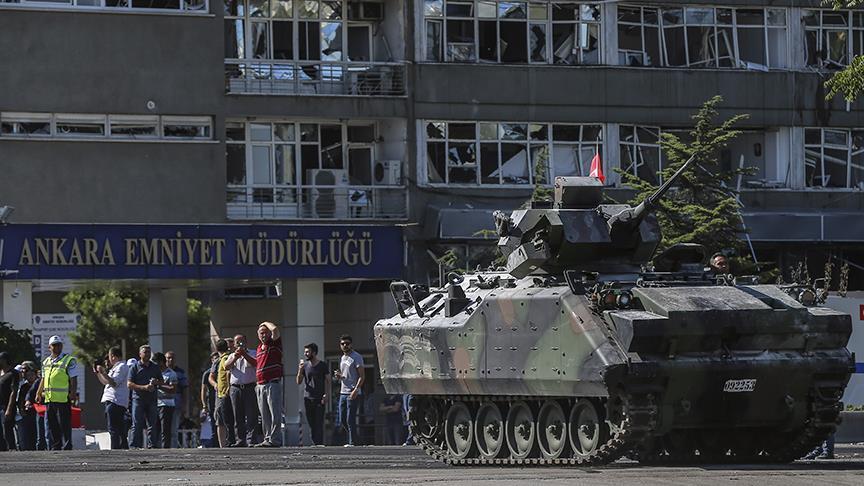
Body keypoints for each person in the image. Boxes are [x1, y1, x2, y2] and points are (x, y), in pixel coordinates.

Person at [35, 335, 78, 450]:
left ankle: (67, 445)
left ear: (62, 346)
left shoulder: (69, 360)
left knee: (64, 424)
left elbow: (73, 378)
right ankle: (56, 446)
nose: (57, 347)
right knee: (52, 424)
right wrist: (38, 393)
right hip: (49, 398)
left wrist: (73, 393)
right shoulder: (46, 362)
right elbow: (43, 379)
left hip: (63, 398)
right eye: (54, 345)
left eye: (59, 345)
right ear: (49, 347)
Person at [224, 333, 258, 447]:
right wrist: (236, 357)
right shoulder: (232, 355)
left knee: (251, 414)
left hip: (249, 387)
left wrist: (245, 355)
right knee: (238, 415)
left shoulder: (253, 353)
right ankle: (240, 439)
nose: (240, 344)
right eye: (237, 342)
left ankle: (251, 439)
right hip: (235, 388)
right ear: (234, 344)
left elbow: (256, 363)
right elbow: (226, 366)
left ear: (246, 342)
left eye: (242, 341)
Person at [254, 322, 283, 448]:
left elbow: (275, 329)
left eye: (266, 332)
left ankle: (275, 439)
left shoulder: (274, 343)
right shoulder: (259, 348)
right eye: (261, 333)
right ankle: (267, 438)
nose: (263, 335)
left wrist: (264, 323)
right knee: (264, 415)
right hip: (260, 385)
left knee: (274, 413)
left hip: (272, 383)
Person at [94, 346, 129, 449]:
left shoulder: (122, 366)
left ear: (113, 356)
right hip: (111, 400)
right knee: (118, 428)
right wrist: (98, 373)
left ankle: (115, 449)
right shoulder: (115, 368)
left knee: (113, 429)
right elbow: (106, 382)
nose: (108, 359)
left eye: (109, 356)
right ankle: (122, 448)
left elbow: (114, 383)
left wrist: (104, 372)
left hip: (116, 401)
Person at [128, 344, 162, 448]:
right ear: (140, 354)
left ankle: (152, 445)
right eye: (145, 352)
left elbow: (162, 381)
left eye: (149, 352)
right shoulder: (134, 367)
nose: (147, 354)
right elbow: (129, 384)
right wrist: (144, 387)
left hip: (152, 399)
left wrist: (156, 382)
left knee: (152, 424)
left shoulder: (155, 367)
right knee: (137, 423)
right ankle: (135, 446)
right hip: (138, 399)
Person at [295, 342, 329, 446]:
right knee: (311, 423)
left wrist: (326, 394)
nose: (305, 354)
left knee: (318, 423)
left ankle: (319, 444)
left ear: (313, 353)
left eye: (307, 352)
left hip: (319, 398)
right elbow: (298, 381)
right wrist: (300, 370)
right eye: (305, 352)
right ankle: (314, 444)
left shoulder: (322, 365)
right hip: (307, 398)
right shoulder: (305, 366)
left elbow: (327, 381)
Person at [334, 334, 365, 447]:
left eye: (347, 343)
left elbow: (362, 376)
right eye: (342, 344)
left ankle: (352, 442)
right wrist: (339, 376)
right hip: (343, 392)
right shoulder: (342, 358)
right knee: (342, 419)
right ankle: (356, 439)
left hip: (352, 391)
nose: (345, 345)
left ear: (351, 344)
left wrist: (356, 389)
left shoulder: (357, 357)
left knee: (350, 418)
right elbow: (345, 376)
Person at [210, 339, 235, 448]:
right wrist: (215, 384)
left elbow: (228, 373)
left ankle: (226, 444)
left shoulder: (223, 359)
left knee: (224, 420)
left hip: (224, 393)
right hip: (223, 393)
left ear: (216, 348)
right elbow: (211, 377)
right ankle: (226, 444)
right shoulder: (224, 359)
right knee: (225, 419)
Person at [153, 352, 178, 449]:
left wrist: (159, 385)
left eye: (156, 363)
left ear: (161, 362)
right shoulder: (154, 373)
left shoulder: (171, 373)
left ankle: (165, 450)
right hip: (155, 404)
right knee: (154, 429)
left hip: (166, 404)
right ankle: (154, 449)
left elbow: (173, 389)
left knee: (165, 430)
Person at [15, 361, 40, 450]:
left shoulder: (39, 384)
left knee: (38, 435)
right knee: (26, 437)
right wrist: (22, 411)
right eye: (28, 375)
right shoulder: (23, 386)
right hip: (26, 414)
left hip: (38, 413)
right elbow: (20, 400)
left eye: (31, 375)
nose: (30, 377)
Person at [165, 351, 187, 449]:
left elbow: (185, 389)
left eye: (172, 358)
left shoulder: (180, 372)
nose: (170, 360)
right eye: (168, 358)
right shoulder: (161, 371)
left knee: (173, 429)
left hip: (176, 403)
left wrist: (184, 405)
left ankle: (173, 449)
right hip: (163, 404)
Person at [200, 352, 219, 448]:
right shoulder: (207, 373)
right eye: (215, 359)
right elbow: (203, 390)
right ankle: (215, 444)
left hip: (221, 399)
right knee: (213, 423)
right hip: (211, 401)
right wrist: (204, 405)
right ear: (212, 360)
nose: (217, 360)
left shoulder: (222, 371)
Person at [0, 351, 18, 451]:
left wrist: (9, 409)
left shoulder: (13, 373)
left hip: (7, 406)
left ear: (5, 360)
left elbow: (13, 392)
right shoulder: (0, 373)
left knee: (7, 429)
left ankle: (11, 449)